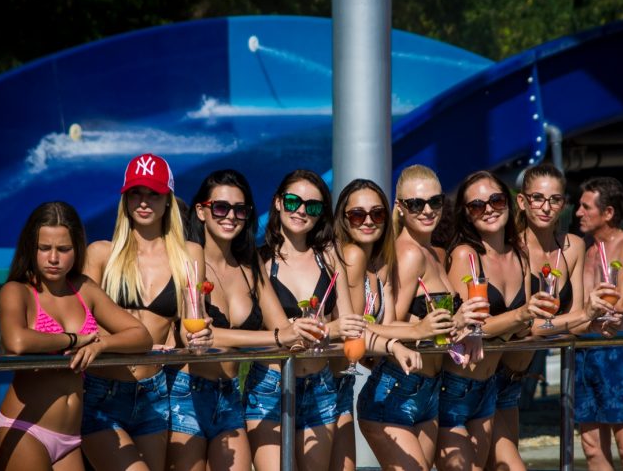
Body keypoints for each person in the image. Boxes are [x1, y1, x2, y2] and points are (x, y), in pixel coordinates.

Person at [166, 169, 322, 471]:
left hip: (229, 394)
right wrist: (276, 338)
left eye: (240, 209)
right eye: (220, 208)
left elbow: (283, 328)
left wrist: (303, 329)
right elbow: (197, 335)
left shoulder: (250, 264)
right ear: (201, 211)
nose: (230, 216)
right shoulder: (190, 256)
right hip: (188, 393)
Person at [0, 202, 152, 471]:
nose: (53, 258)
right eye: (44, 248)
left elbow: (141, 335)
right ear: (31, 248)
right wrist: (74, 339)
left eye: (63, 249)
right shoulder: (18, 291)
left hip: (69, 440)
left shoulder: (84, 289)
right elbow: (16, 342)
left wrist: (101, 344)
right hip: (24, 430)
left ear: (77, 249)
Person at [82, 153, 210, 471]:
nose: (143, 202)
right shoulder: (101, 254)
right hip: (103, 390)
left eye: (153, 193)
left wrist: (200, 337)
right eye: (135, 193)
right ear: (125, 200)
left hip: (154, 392)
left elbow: (190, 325)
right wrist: (140, 343)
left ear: (168, 200)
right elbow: (85, 326)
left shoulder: (189, 254)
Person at [483, 164, 612, 471]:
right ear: (522, 201)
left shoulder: (573, 246)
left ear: (563, 203)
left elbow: (575, 318)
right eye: (537, 198)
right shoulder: (511, 249)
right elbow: (531, 324)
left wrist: (596, 319)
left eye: (555, 199)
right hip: (485, 375)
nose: (546, 207)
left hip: (515, 379)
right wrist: (581, 316)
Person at [357, 165, 477, 471]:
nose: (427, 210)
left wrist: (465, 328)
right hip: (396, 389)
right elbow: (380, 325)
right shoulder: (408, 254)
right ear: (400, 207)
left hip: (428, 390)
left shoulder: (433, 253)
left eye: (435, 201)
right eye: (416, 204)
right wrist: (422, 327)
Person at [249, 169, 366, 470]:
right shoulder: (260, 261)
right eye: (293, 201)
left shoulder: (328, 257)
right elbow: (278, 332)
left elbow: (348, 325)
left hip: (319, 384)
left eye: (312, 206)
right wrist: (329, 328)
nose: (301, 210)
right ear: (278, 202)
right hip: (271, 385)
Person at [439, 170, 551, 471]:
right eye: (477, 205)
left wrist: (583, 319)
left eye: (496, 200)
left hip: (492, 385)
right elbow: (470, 327)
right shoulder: (465, 256)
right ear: (466, 214)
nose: (488, 209)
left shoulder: (520, 255)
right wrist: (521, 315)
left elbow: (526, 327)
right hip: (457, 388)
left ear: (508, 203)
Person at [332, 178, 444, 471]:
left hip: (349, 387)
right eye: (358, 215)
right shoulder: (352, 256)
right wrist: (415, 332)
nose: (368, 221)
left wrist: (434, 327)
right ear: (344, 218)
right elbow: (354, 328)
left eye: (377, 213)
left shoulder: (381, 261)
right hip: (333, 384)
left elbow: (389, 323)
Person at [575, 176, 623, 471]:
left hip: (620, 352)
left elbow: (619, 305)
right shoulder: (586, 250)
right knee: (592, 448)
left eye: (586, 207)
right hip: (585, 351)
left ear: (608, 212)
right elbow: (576, 309)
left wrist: (581, 317)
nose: (578, 212)